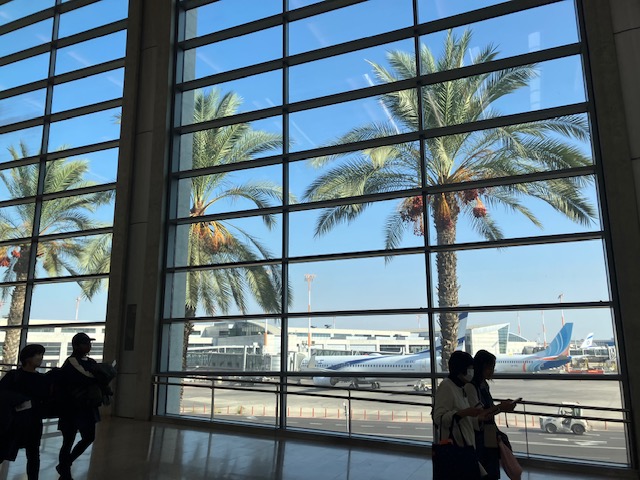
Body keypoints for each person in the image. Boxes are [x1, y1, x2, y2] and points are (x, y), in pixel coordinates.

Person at [465, 350, 518, 480]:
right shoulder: (471, 387)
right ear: (481, 367)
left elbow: (488, 411)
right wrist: (501, 407)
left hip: (488, 433)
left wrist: (501, 407)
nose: (492, 371)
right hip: (480, 436)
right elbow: (480, 413)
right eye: (489, 368)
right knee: (485, 469)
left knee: (490, 468)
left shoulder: (483, 385)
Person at [56, 333, 102, 480]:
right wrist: (100, 375)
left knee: (89, 437)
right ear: (76, 346)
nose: (89, 346)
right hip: (71, 408)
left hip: (87, 407)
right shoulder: (71, 361)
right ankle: (65, 472)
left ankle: (65, 464)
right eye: (85, 343)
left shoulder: (90, 361)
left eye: (89, 343)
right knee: (68, 441)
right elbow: (88, 377)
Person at [0, 344, 50, 480]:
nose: (40, 358)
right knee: (6, 449)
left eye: (41, 355)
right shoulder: (14, 376)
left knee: (33, 454)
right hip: (13, 421)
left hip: (32, 421)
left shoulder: (41, 379)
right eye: (37, 355)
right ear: (28, 358)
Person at [433, 350, 486, 476]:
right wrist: (464, 412)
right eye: (470, 369)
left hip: (466, 445)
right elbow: (439, 418)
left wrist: (478, 418)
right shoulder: (447, 386)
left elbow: (464, 417)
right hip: (456, 447)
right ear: (461, 369)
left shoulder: (460, 386)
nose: (472, 372)